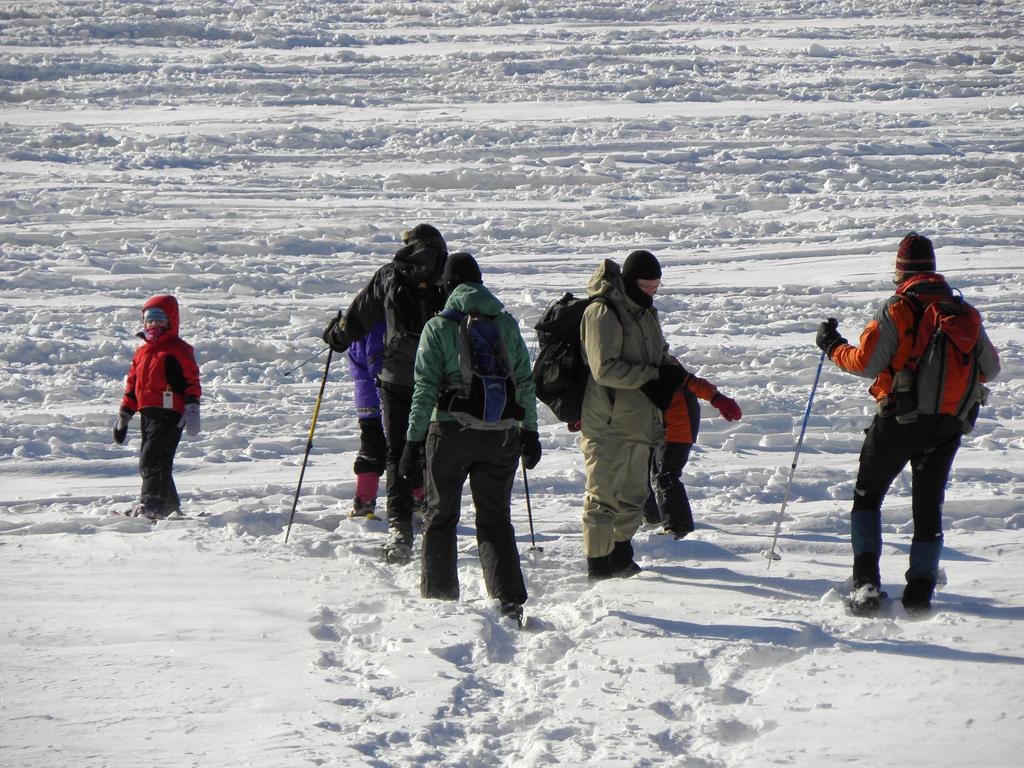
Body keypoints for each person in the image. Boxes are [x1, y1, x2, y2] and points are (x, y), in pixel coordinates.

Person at [815, 232, 1000, 613]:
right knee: (928, 505)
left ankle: (866, 584)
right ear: (932, 269)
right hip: (948, 424)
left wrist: (832, 344)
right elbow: (991, 369)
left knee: (868, 496)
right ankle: (920, 590)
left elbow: (866, 363)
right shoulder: (963, 311)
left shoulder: (897, 308)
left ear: (900, 271)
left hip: (899, 420)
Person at [401, 252, 541, 623]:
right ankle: (509, 601)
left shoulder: (439, 327)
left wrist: (413, 443)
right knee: (495, 519)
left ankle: (441, 602)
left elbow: (424, 389)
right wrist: (530, 433)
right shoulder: (506, 323)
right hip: (501, 435)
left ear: (448, 286)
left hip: (449, 432)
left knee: (441, 516)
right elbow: (525, 381)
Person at [323, 224, 448, 563]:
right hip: (438, 374)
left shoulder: (389, 274)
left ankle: (400, 531)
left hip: (396, 376)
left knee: (396, 452)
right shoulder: (446, 273)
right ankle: (435, 519)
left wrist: (336, 335)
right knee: (433, 449)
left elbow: (358, 319)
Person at [579, 250, 684, 582]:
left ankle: (620, 554)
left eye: (656, 286)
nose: (652, 291)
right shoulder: (602, 311)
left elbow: (659, 352)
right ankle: (598, 566)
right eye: (646, 285)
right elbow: (603, 368)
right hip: (608, 424)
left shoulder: (646, 313)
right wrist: (651, 378)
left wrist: (671, 371)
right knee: (603, 499)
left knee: (634, 497)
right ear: (629, 280)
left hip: (639, 421)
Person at [112, 294, 202, 520]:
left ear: (171, 320)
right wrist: (125, 413)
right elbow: (133, 385)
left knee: (151, 459)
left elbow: (191, 380)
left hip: (171, 414)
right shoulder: (142, 351)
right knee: (157, 460)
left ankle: (150, 506)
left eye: (159, 319)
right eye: (149, 319)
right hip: (148, 413)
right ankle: (169, 508)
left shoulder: (179, 349)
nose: (154, 324)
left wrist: (192, 408)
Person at [642, 363, 742, 538]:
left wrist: (718, 399)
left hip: (678, 431)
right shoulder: (637, 363)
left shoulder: (663, 363)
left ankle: (678, 526)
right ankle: (653, 516)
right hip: (657, 430)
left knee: (666, 475)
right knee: (644, 469)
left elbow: (693, 383)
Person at [346, 321, 426, 520]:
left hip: (365, 395)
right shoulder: (384, 319)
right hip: (386, 392)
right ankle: (416, 496)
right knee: (404, 446)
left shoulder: (359, 319)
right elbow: (378, 358)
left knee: (371, 446)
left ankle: (364, 500)